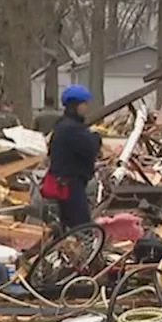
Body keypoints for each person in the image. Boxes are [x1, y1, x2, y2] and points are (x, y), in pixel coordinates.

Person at [46, 84, 101, 230]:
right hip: (71, 185)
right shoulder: (72, 128)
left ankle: (68, 248)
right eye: (84, 104)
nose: (86, 108)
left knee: (68, 225)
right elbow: (90, 148)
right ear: (75, 105)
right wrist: (96, 137)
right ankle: (85, 250)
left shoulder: (62, 125)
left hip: (63, 183)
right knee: (82, 226)